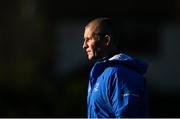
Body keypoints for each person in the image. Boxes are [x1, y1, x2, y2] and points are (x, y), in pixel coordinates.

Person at [82, 17, 149, 118]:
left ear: (106, 40)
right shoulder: (101, 73)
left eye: (89, 39)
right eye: (84, 40)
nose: (84, 45)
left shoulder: (120, 75)